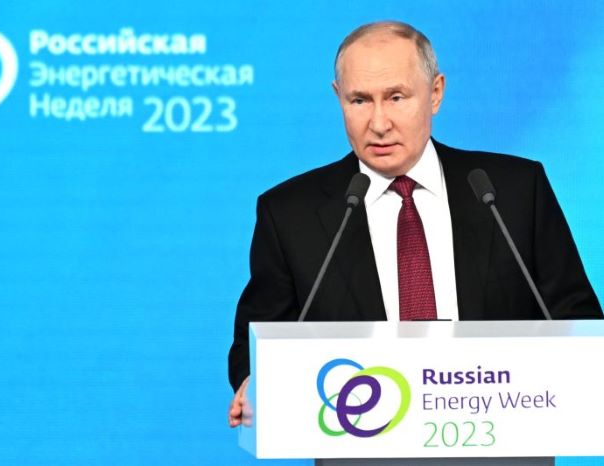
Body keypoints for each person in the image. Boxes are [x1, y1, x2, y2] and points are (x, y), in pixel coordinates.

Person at [227, 21, 602, 427]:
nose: (379, 123)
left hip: (504, 436)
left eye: (396, 97)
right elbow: (255, 342)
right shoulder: (289, 214)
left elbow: (575, 319)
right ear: (338, 97)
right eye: (359, 100)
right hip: (358, 440)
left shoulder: (513, 191)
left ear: (435, 92)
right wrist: (253, 383)